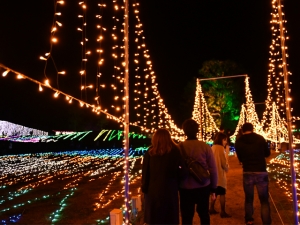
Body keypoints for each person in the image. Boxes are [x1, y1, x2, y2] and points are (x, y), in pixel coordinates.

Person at [141, 128, 188, 224]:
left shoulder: (150, 152)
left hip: (153, 193)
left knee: (154, 220)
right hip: (170, 192)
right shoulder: (175, 151)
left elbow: (145, 174)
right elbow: (183, 172)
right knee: (169, 219)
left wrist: (144, 189)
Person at [179, 119, 218, 225]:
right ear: (197, 130)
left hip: (185, 187)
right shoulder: (204, 146)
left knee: (187, 217)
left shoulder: (180, 147)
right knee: (204, 214)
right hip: (203, 185)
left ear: (184, 131)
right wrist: (213, 187)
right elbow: (213, 169)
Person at [235, 123, 272, 225]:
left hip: (247, 171)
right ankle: (266, 221)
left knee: (249, 198)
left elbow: (240, 158)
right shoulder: (260, 139)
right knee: (264, 199)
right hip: (261, 170)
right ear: (252, 129)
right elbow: (267, 153)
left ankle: (249, 219)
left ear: (242, 130)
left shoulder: (239, 141)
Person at [209, 132, 231, 218]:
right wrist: (227, 167)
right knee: (222, 193)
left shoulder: (212, 148)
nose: (226, 142)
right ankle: (223, 211)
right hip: (220, 174)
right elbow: (223, 163)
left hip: (213, 175)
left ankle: (211, 208)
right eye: (225, 140)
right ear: (222, 139)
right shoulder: (221, 148)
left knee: (214, 193)